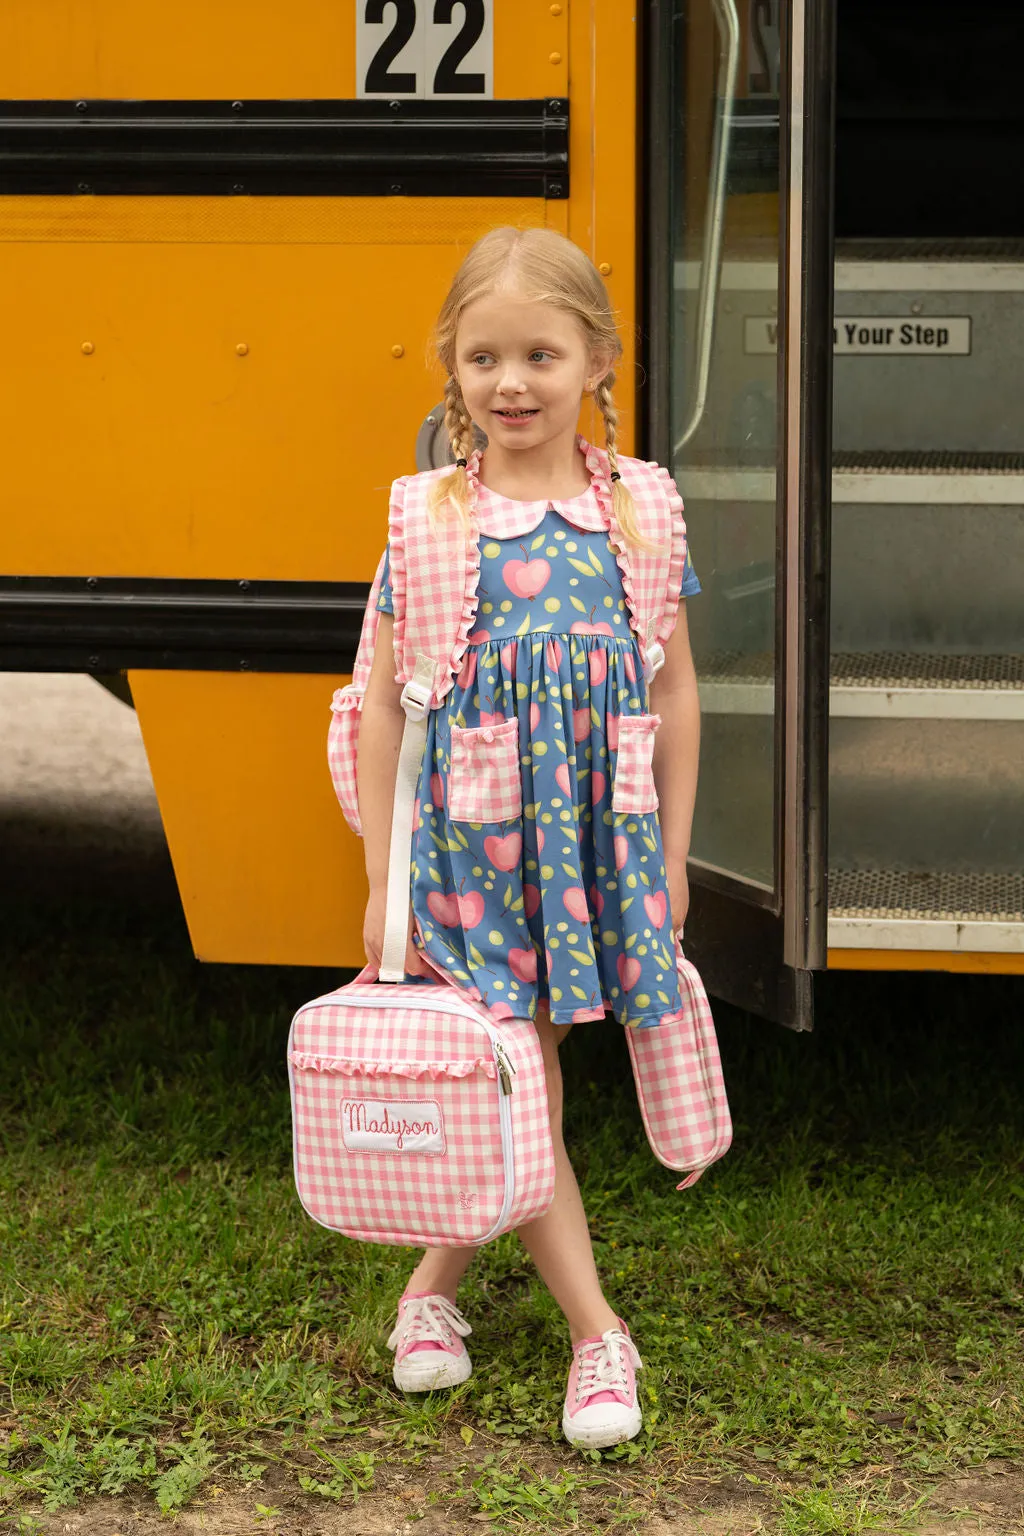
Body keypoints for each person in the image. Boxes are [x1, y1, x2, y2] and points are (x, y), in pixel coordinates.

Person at [356, 226, 701, 1450]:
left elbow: (671, 694)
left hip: (592, 855)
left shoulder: (639, 513)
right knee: (523, 1084)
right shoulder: (431, 519)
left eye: (541, 355)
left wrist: (667, 863)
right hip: (467, 856)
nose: (512, 382)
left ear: (597, 361)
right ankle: (596, 1336)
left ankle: (429, 1294)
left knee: (513, 1079)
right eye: (483, 356)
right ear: (450, 366)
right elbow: (389, 708)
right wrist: (381, 884)